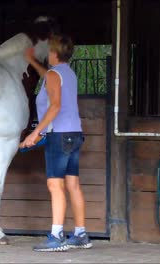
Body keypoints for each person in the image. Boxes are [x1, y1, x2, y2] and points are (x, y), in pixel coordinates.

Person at [20, 34, 93, 252]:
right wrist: (32, 61)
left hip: (59, 136)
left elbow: (55, 106)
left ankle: (56, 236)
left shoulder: (54, 75)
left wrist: (35, 133)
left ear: (54, 53)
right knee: (73, 185)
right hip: (74, 134)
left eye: (48, 50)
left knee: (55, 184)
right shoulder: (67, 73)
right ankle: (80, 234)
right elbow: (49, 78)